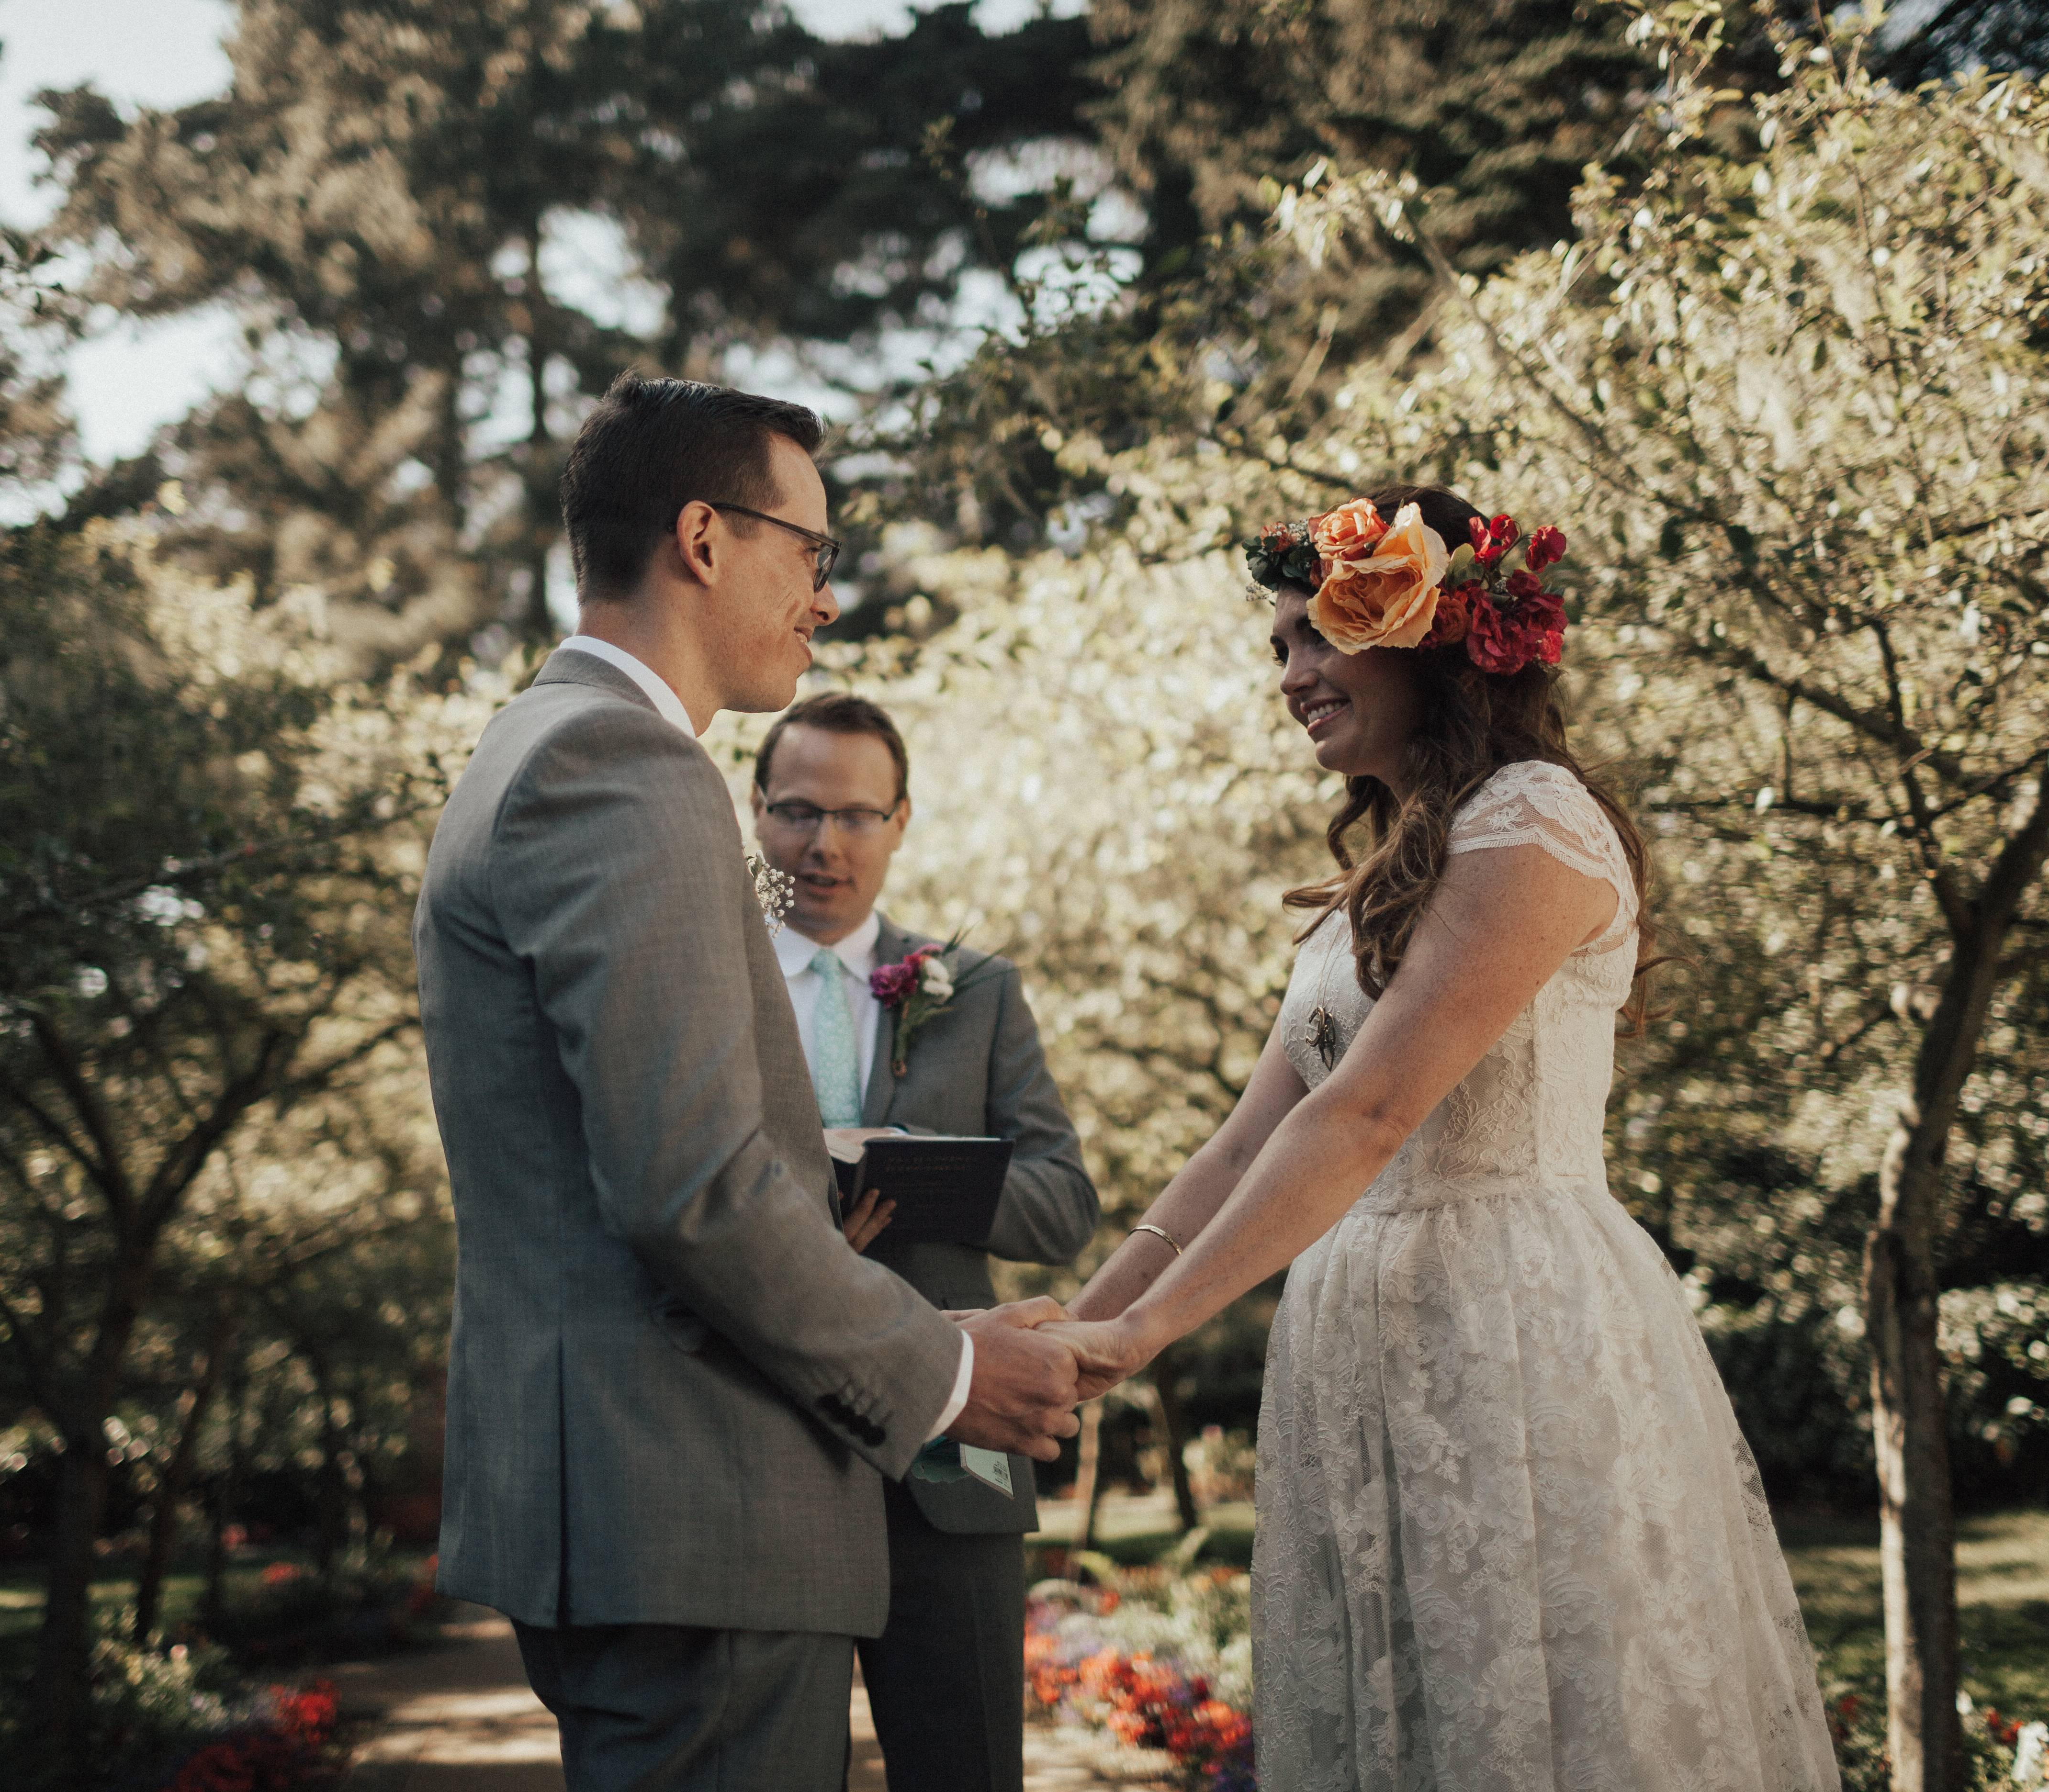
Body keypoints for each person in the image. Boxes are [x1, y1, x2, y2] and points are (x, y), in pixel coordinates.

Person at [1047, 486, 1841, 1790]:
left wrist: (1145, 1337)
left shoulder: (1532, 822)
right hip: (1360, 1339)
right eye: (1280, 649)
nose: (1292, 674)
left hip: (1510, 1324)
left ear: (1427, 633)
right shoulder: (1374, 877)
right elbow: (1253, 1142)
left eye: (1317, 635)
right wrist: (1091, 1330)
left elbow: (1369, 1112)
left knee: (1543, 1711)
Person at [412, 371, 1089, 1792]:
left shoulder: (535, 749)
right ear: (705, 539)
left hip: (649, 1513)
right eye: (813, 552)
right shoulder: (623, 766)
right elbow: (697, 1190)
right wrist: (952, 1370)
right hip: (696, 1510)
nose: (826, 600)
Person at [750, 690, 1100, 1792]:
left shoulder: (976, 989)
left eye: (857, 816)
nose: (822, 845)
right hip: (758, 1437)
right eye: (797, 812)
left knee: (970, 1768)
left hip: (965, 1445)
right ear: (754, 814)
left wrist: (918, 1167)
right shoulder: (704, 974)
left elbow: (1062, 1205)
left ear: (902, 822)